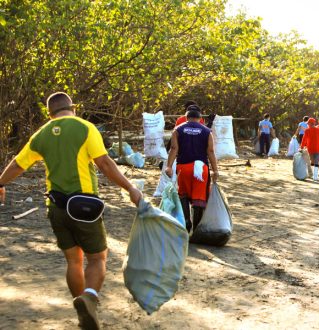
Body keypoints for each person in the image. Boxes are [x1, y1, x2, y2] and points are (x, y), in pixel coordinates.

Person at [0, 92, 143, 329]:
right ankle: (88, 298)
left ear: (50, 113)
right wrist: (130, 188)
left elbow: (17, 164)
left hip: (56, 208)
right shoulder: (85, 128)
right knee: (97, 259)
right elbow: (105, 163)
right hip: (84, 207)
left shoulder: (41, 134)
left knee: (73, 261)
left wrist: (1, 183)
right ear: (73, 108)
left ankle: (83, 311)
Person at [165, 105, 219, 233]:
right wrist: (215, 170)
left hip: (183, 168)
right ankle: (196, 228)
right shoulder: (207, 131)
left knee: (183, 195)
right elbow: (210, 151)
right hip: (201, 171)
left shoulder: (178, 129)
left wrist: (168, 166)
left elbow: (173, 149)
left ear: (186, 118)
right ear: (200, 118)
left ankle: (187, 221)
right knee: (199, 198)